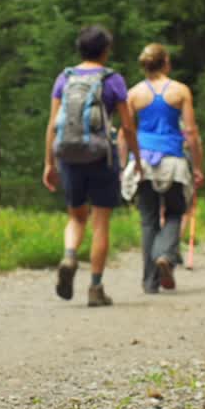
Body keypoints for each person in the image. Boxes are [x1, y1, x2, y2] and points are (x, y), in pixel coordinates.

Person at [43, 24, 141, 307]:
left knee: (76, 217)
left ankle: (70, 254)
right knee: (101, 223)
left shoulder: (65, 78)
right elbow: (128, 126)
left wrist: (49, 162)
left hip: (69, 156)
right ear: (105, 50)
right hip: (102, 156)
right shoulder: (113, 80)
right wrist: (135, 158)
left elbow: (52, 125)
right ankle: (95, 288)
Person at [120, 43, 204, 294]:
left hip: (143, 161)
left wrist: (124, 164)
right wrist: (198, 165)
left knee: (148, 220)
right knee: (176, 213)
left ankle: (149, 282)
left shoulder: (133, 94)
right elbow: (190, 131)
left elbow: (126, 132)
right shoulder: (180, 91)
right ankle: (166, 255)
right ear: (166, 62)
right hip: (173, 161)